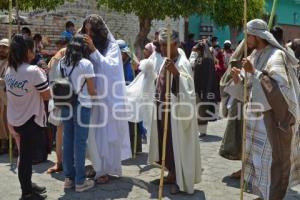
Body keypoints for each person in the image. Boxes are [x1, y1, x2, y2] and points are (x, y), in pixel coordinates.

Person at [228, 19, 300, 200]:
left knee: (274, 162)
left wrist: (255, 72)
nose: (245, 40)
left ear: (255, 36)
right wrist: (239, 78)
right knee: (259, 162)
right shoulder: (254, 55)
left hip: (272, 118)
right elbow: (250, 85)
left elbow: (280, 89)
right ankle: (263, 194)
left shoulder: (276, 56)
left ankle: (274, 196)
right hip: (255, 118)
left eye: (247, 36)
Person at [128, 29, 202, 194]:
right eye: (160, 45)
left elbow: (189, 91)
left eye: (164, 45)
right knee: (165, 145)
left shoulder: (182, 63)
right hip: (161, 109)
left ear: (175, 45)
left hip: (176, 113)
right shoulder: (165, 59)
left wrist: (176, 75)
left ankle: (180, 181)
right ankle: (171, 173)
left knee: (177, 146)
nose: (160, 48)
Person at [82, 14, 132, 184]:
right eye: (86, 31)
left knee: (106, 134)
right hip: (93, 94)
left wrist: (94, 50)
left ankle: (106, 169)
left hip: (108, 98)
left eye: (92, 31)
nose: (89, 34)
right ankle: (97, 166)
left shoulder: (112, 46)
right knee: (94, 134)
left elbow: (110, 68)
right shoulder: (87, 45)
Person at [5, 34, 51, 200]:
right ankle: (27, 193)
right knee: (25, 158)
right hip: (29, 121)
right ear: (28, 51)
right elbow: (46, 96)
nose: (36, 50)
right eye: (34, 48)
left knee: (24, 156)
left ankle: (28, 184)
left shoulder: (9, 69)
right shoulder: (34, 71)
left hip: (13, 120)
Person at [59, 34, 96, 192]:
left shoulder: (62, 62)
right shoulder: (86, 64)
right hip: (82, 104)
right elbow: (92, 90)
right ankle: (80, 182)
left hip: (66, 104)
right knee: (80, 143)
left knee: (67, 141)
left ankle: (69, 179)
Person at [46, 40, 68, 174]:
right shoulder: (62, 55)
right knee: (61, 132)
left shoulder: (58, 57)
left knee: (61, 132)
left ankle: (61, 161)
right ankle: (60, 162)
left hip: (61, 97)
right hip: (63, 98)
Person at [189, 40, 218, 137]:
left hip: (201, 87)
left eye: (197, 50)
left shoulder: (204, 60)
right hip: (202, 87)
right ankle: (200, 130)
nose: (195, 51)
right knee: (200, 108)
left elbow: (195, 69)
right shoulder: (206, 59)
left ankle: (202, 130)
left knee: (201, 109)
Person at [0, 38, 9, 154]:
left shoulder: (11, 62)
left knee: (5, 119)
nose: (1, 49)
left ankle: (5, 143)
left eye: (4, 47)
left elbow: (8, 79)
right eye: (1, 47)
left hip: (6, 96)